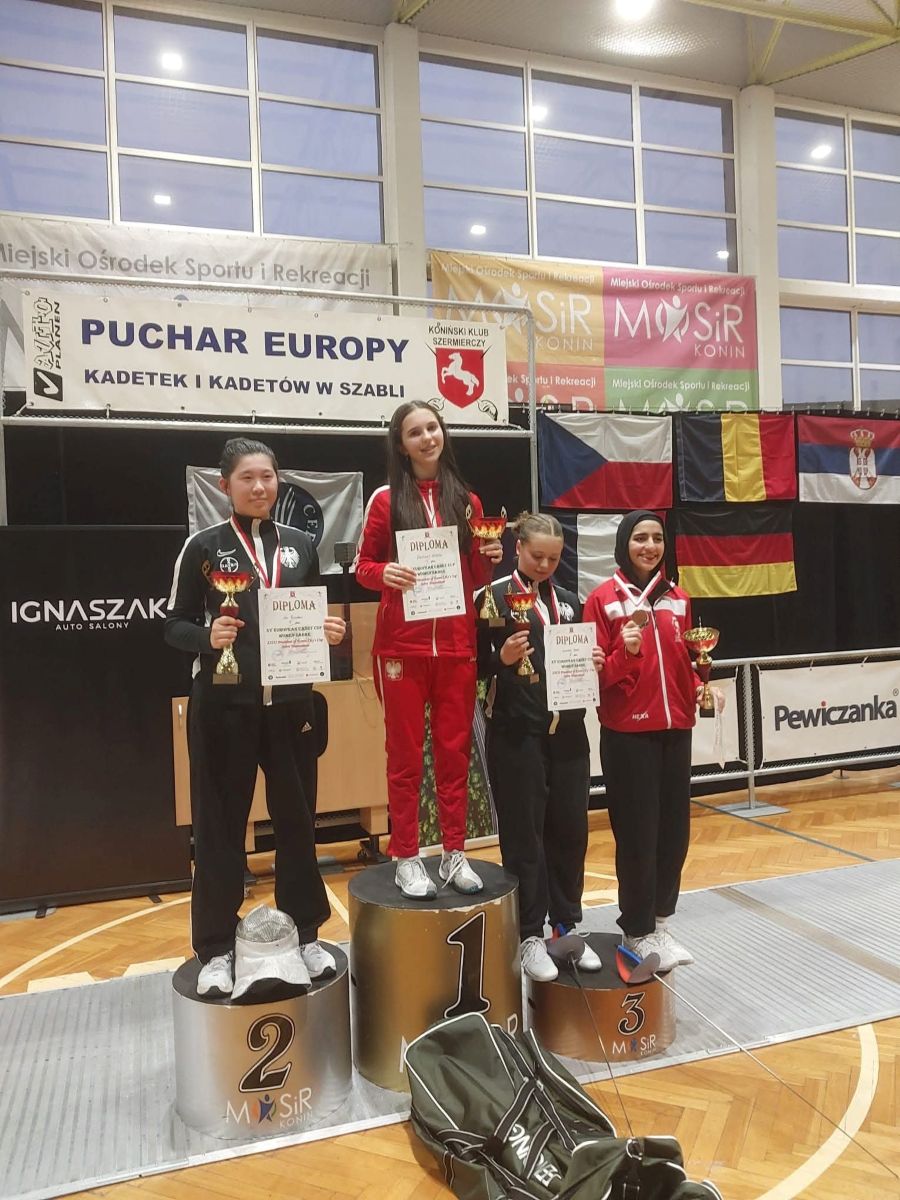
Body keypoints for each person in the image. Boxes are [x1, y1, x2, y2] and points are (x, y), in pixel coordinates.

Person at [165, 437, 346, 997]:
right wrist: (207, 636)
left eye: (267, 476)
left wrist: (327, 631)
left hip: (291, 706)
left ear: (278, 481)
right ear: (225, 486)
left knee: (298, 823)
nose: (260, 486)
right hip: (224, 708)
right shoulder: (203, 546)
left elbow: (310, 613)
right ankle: (216, 948)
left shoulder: (300, 545)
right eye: (247, 477)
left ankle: (306, 934)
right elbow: (173, 624)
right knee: (219, 829)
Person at [356, 401, 502, 899]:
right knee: (404, 758)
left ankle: (453, 852)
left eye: (432, 428)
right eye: (414, 432)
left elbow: (474, 577)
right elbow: (362, 566)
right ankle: (406, 856)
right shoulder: (385, 499)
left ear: (444, 433)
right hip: (402, 648)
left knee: (453, 754)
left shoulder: (468, 501)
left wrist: (488, 558)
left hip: (457, 646)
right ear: (401, 445)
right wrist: (386, 572)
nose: (426, 438)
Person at [583, 510, 723, 973]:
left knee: (673, 834)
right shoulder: (603, 600)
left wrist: (701, 685)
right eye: (640, 538)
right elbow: (595, 678)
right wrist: (627, 651)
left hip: (676, 728)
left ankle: (661, 923)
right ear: (624, 544)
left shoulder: (678, 598)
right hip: (628, 734)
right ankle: (637, 929)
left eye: (657, 538)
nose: (650, 546)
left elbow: (687, 661)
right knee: (638, 836)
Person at [478, 513, 606, 982]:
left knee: (570, 833)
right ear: (518, 549)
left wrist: (594, 660)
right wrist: (500, 658)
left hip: (569, 733)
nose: (545, 565)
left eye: (554, 558)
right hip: (517, 735)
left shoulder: (570, 602)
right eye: (537, 556)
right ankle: (529, 934)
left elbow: (579, 662)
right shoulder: (492, 598)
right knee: (524, 838)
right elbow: (471, 664)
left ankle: (566, 927)